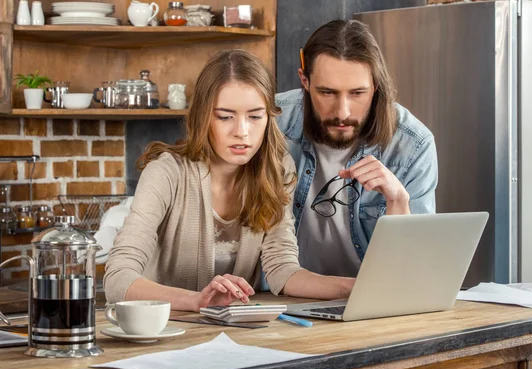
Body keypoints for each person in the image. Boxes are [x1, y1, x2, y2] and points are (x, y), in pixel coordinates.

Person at [104, 49, 355, 311]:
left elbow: (282, 268)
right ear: (203, 117)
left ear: (269, 118)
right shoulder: (166, 173)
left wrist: (352, 287)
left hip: (235, 333)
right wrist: (197, 301)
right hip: (163, 331)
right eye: (225, 117)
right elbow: (117, 278)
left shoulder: (277, 171)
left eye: (255, 116)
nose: (242, 132)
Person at [275, 19, 438, 278]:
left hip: (372, 300)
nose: (343, 112)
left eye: (357, 93)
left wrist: (398, 200)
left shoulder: (413, 145)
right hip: (281, 298)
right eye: (327, 93)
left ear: (376, 85)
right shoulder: (271, 122)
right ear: (304, 81)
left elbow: (416, 271)